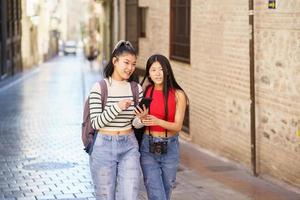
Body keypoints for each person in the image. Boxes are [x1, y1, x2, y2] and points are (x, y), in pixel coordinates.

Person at [88, 40, 144, 200]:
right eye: (126, 62)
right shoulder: (99, 87)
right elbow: (97, 123)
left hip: (129, 146)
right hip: (103, 147)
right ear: (114, 61)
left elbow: (135, 124)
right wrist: (117, 107)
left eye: (133, 64)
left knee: (130, 196)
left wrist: (140, 119)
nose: (130, 68)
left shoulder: (136, 89)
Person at [136, 54, 188, 200]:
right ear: (149, 73)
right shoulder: (145, 92)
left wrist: (157, 121)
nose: (158, 73)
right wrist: (141, 118)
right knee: (156, 193)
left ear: (167, 71)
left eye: (161, 69)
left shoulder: (179, 95)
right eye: (153, 70)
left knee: (166, 190)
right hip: (147, 146)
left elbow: (177, 126)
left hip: (170, 147)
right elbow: (138, 119)